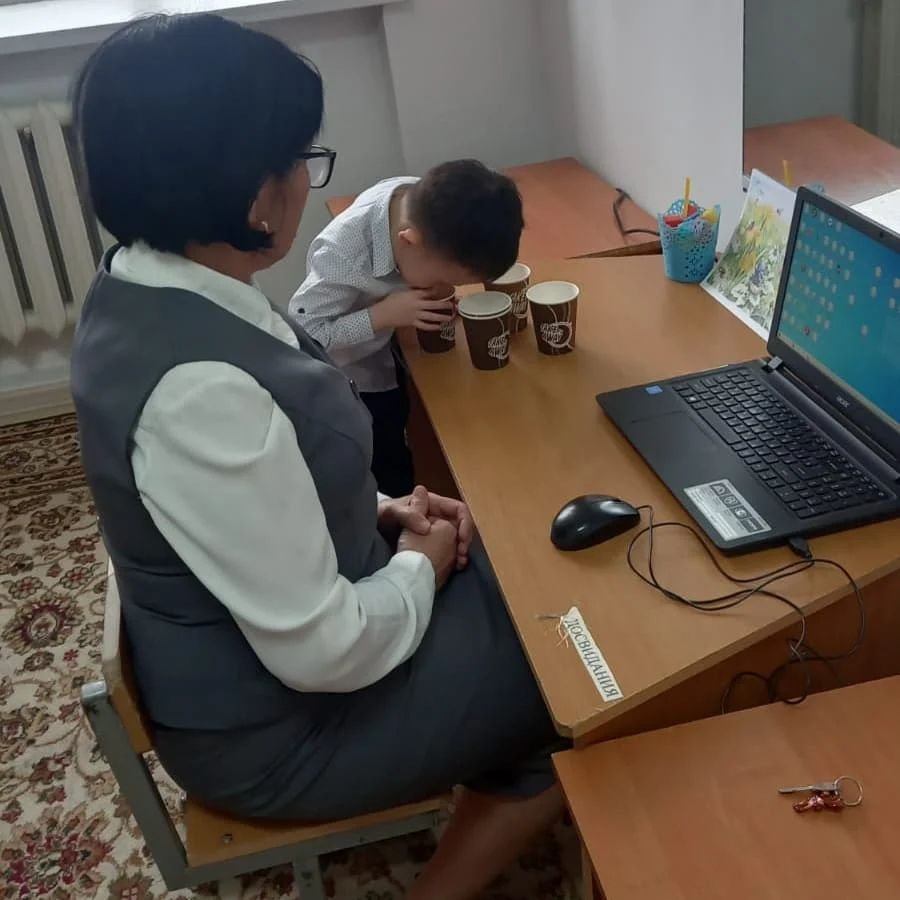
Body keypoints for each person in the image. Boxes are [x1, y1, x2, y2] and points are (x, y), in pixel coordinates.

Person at [69, 14, 562, 900]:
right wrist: (418, 564)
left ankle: (488, 742)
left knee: (521, 568)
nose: (307, 177)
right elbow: (325, 651)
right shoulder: (198, 392)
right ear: (255, 194)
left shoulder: (152, 282)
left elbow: (246, 502)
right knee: (572, 662)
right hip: (281, 733)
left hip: (267, 654)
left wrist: (382, 509)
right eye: (300, 157)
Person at [290, 163, 523, 497]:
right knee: (384, 458)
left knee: (409, 424)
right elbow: (304, 333)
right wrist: (382, 315)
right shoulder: (341, 253)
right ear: (408, 240)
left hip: (392, 351)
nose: (444, 287)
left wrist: (428, 297)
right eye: (441, 280)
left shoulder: (421, 203)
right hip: (352, 381)